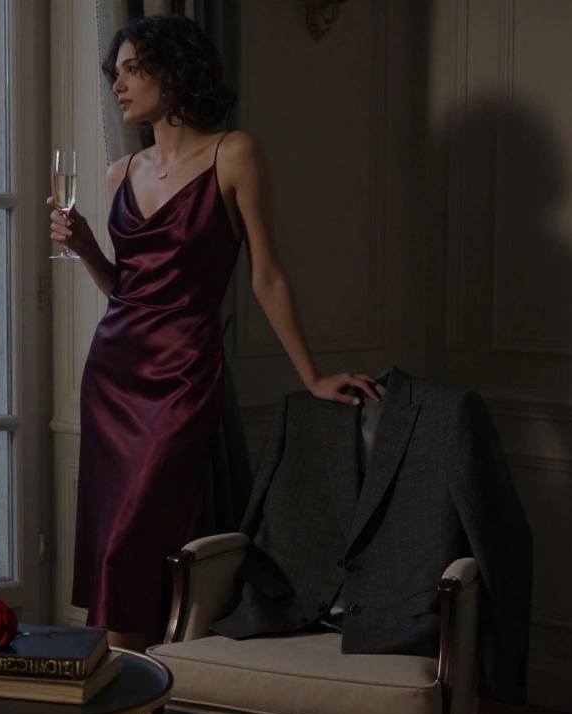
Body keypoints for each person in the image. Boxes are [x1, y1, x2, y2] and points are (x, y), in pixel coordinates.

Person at [49, 14, 382, 653]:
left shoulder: (235, 152)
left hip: (182, 375)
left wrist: (312, 376)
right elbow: (128, 290)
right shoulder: (122, 173)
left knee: (134, 540)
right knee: (120, 539)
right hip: (112, 374)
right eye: (113, 72)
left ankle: (128, 688)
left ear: (174, 69)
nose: (117, 84)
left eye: (131, 69)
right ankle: (139, 689)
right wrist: (91, 248)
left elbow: (268, 277)